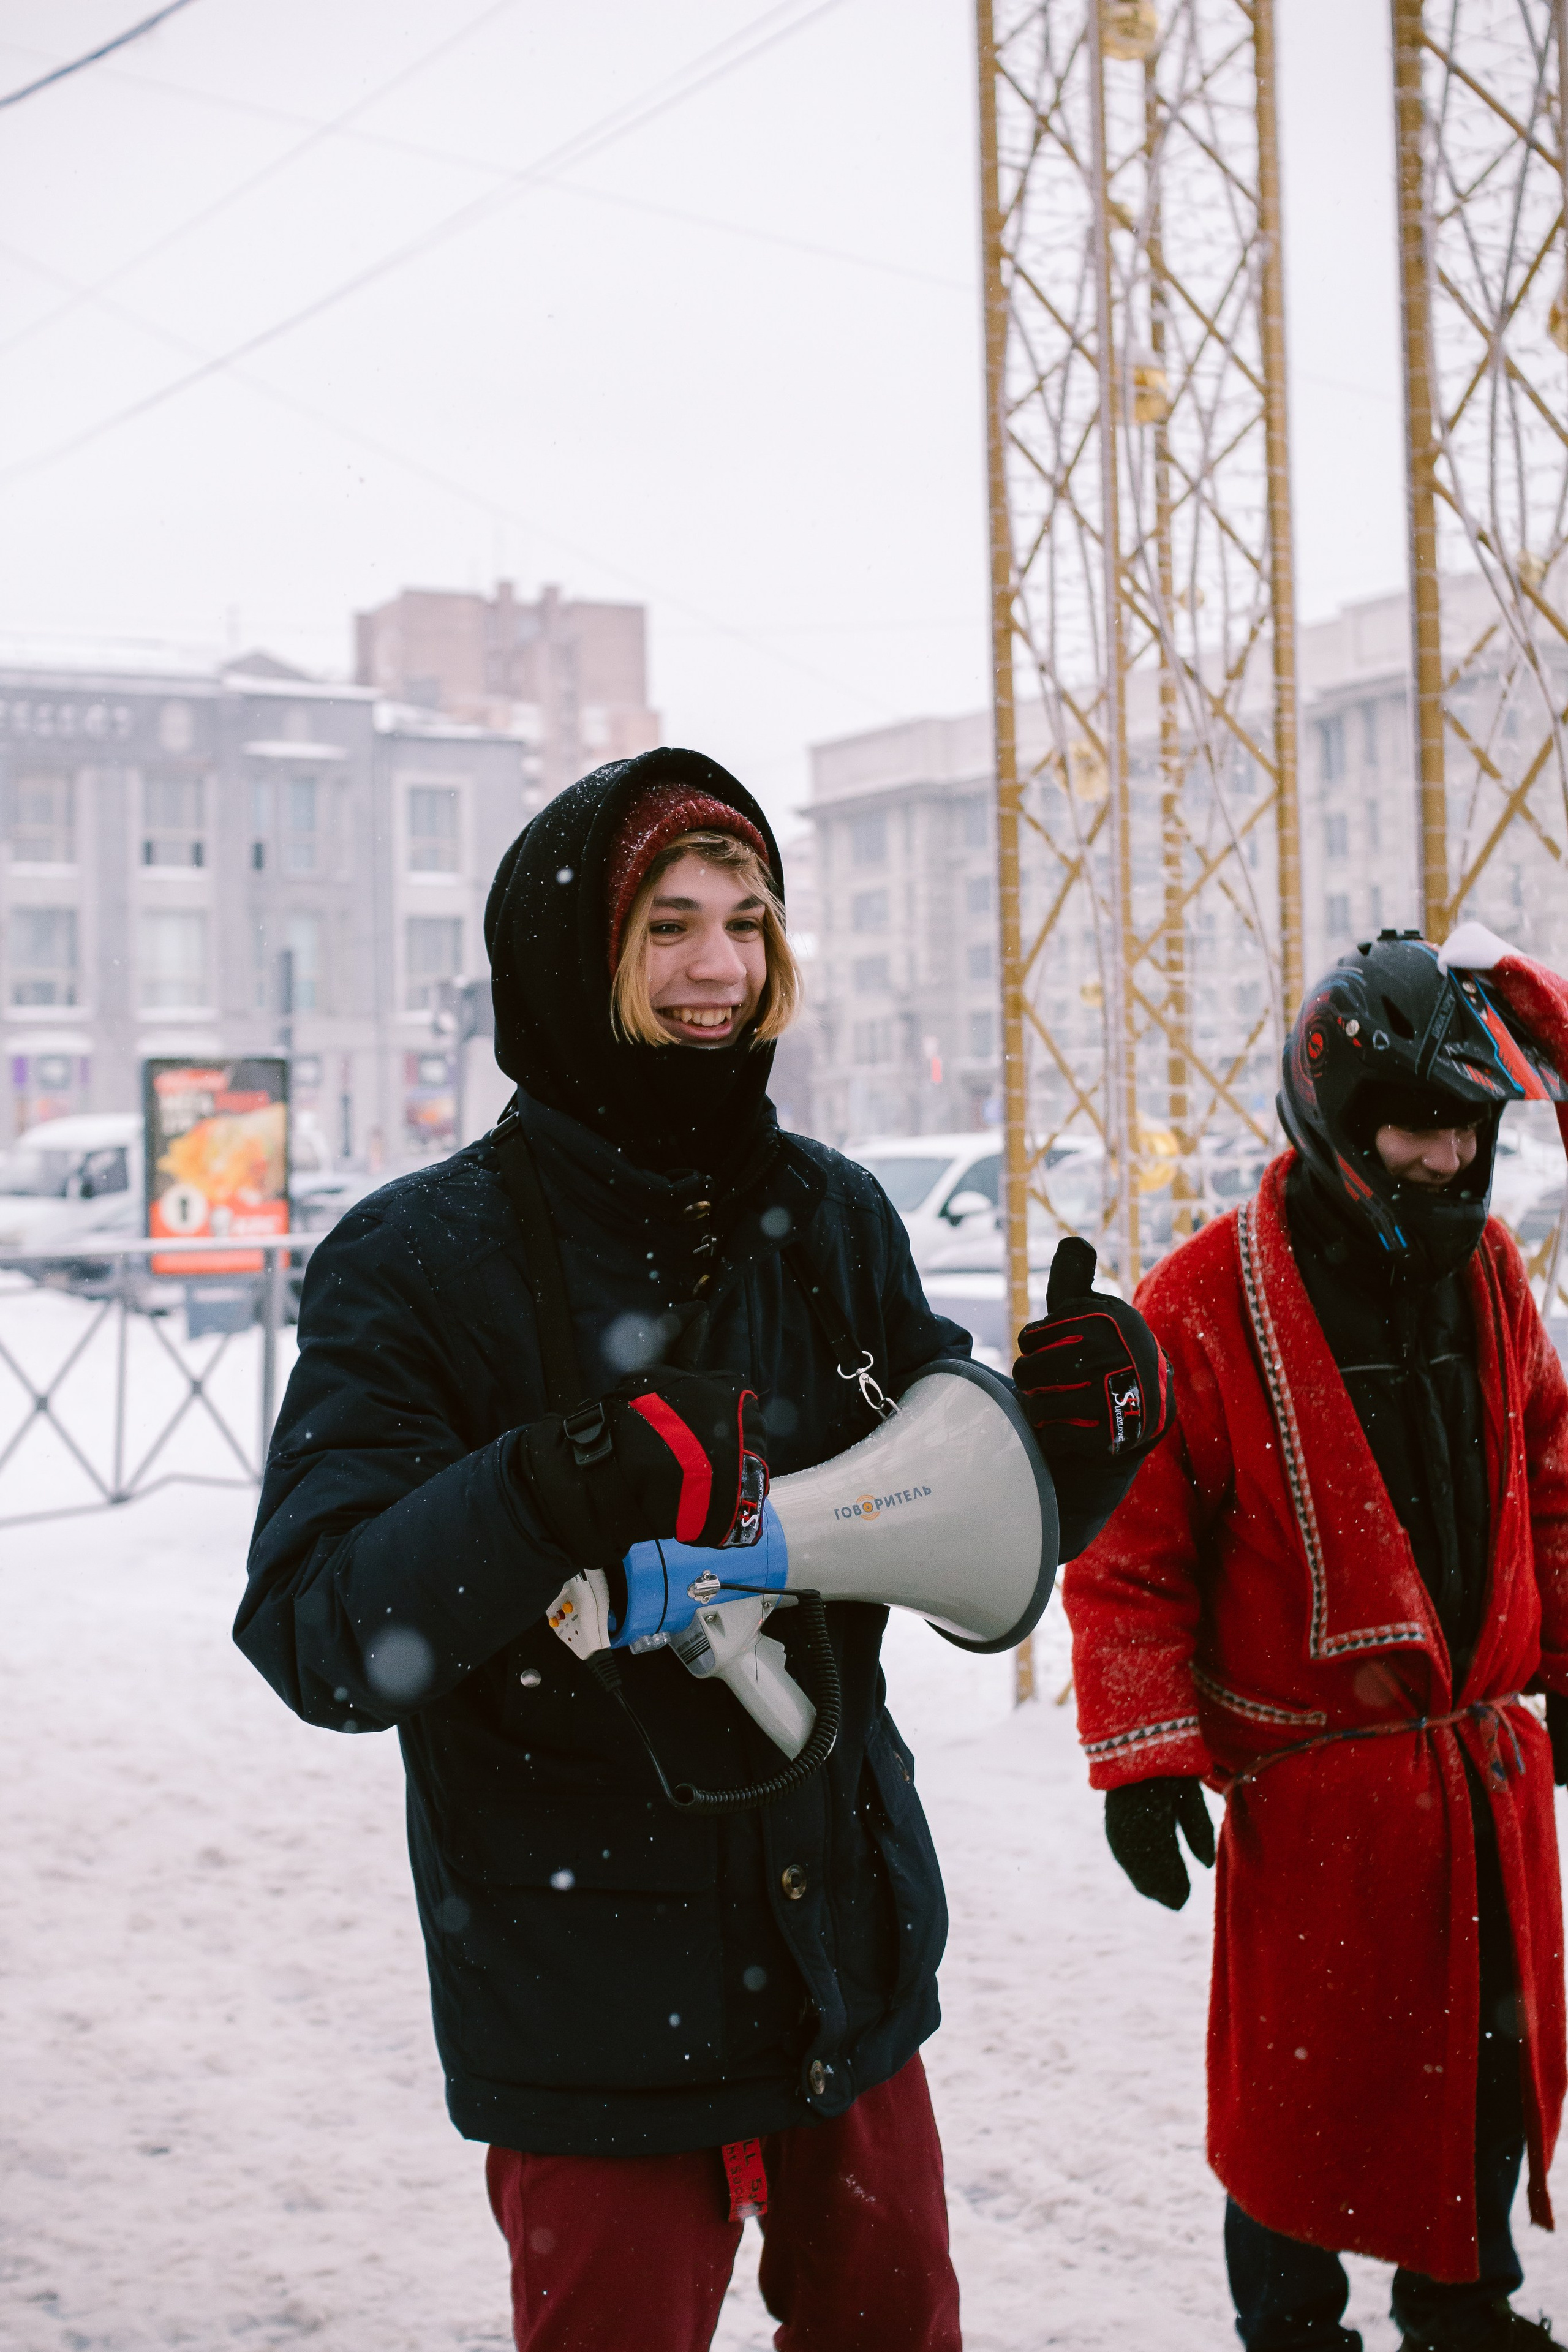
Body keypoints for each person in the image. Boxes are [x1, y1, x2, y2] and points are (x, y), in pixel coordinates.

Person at [233, 745, 1167, 2352]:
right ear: (570, 956)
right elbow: (323, 1630)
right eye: (667, 924)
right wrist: (553, 1484)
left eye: (748, 919)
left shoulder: (836, 1219)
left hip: (842, 1981)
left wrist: (1075, 1455)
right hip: (590, 2014)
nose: (721, 967)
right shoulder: (416, 1263)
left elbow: (944, 1542)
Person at [1063, 925, 1568, 2352]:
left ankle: (1464, 2305)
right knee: (1305, 2095)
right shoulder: (1198, 1300)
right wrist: (1142, 1752)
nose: (1441, 1164)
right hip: (1315, 1793)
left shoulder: (1490, 1282)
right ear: (1335, 1120)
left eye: (1466, 1134)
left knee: (1486, 2058)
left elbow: (1550, 1472)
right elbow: (1129, 1555)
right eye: (1413, 1129)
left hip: (1472, 1770)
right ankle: (1288, 2326)